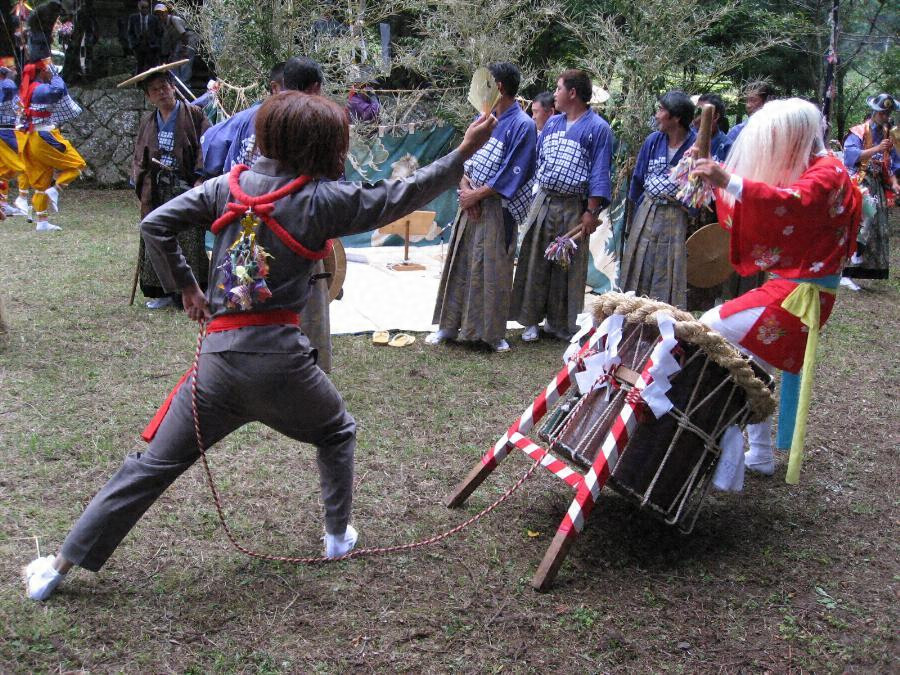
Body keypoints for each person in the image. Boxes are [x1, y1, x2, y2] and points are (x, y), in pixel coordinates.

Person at [23, 92, 497, 602]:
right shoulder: (321, 199)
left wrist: (187, 286)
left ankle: (56, 567)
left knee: (149, 467)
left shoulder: (224, 188)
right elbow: (398, 196)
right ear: (319, 145)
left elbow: (154, 224)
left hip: (217, 363)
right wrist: (462, 152)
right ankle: (337, 538)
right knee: (336, 432)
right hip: (283, 366)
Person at [691, 98, 861, 475]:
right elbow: (763, 195)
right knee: (753, 366)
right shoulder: (815, 168)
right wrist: (713, 172)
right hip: (795, 290)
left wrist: (725, 178)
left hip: (803, 295)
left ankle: (720, 434)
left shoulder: (828, 172)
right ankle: (761, 454)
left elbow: (787, 202)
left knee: (713, 326)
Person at [201, 57, 336, 372]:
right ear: (315, 88)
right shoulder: (312, 123)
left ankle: (240, 368)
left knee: (243, 302)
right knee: (299, 309)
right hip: (292, 228)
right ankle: (301, 373)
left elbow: (212, 152)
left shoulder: (244, 119)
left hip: (244, 229)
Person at [428, 62, 536, 353]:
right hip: (470, 202)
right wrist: (465, 191)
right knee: (460, 263)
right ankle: (449, 326)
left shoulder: (523, 125)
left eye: (485, 83)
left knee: (494, 269)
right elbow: (464, 159)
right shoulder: (482, 118)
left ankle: (491, 333)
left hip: (497, 209)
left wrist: (476, 197)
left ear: (498, 87)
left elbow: (516, 171)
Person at [509, 69, 613, 342]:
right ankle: (530, 320)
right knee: (534, 260)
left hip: (574, 205)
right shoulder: (553, 124)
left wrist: (591, 212)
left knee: (566, 264)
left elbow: (599, 172)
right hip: (544, 200)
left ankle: (560, 323)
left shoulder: (599, 129)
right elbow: (538, 159)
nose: (554, 93)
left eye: (558, 88)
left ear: (573, 93)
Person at [132, 69, 210, 309]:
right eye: (155, 89)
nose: (162, 92)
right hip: (156, 187)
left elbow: (207, 146)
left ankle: (189, 291)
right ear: (149, 96)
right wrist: (140, 183)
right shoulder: (148, 121)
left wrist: (200, 178)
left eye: (165, 86)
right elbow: (138, 157)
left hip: (185, 185)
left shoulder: (195, 115)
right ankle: (163, 291)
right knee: (156, 235)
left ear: (173, 87)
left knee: (188, 238)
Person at [619, 90, 696, 308]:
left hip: (677, 215)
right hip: (647, 209)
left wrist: (690, 214)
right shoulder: (653, 141)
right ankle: (632, 315)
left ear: (677, 117)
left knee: (668, 268)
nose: (656, 114)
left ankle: (665, 321)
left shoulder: (696, 146)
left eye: (661, 110)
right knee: (639, 263)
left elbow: (701, 191)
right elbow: (638, 178)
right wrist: (636, 214)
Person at [18, 57, 85, 231]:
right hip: (44, 135)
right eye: (48, 68)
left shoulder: (27, 89)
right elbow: (57, 90)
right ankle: (55, 190)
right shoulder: (39, 89)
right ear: (42, 71)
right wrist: (56, 76)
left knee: (41, 183)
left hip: (31, 137)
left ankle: (42, 222)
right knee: (77, 165)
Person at [841, 93, 898, 281]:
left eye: (887, 114)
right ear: (874, 112)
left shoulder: (889, 135)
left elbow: (892, 164)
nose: (885, 117)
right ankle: (846, 268)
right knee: (862, 222)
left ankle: (862, 270)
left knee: (877, 228)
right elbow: (850, 157)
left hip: (877, 183)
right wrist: (876, 149)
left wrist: (895, 182)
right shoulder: (858, 131)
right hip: (860, 182)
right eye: (882, 113)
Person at [0, 59, 26, 217]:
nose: (15, 71)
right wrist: (8, 77)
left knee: (3, 170)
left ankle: (2, 203)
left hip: (9, 130)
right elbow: (8, 90)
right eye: (11, 69)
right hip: (4, 132)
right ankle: (19, 197)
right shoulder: (6, 86)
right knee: (22, 166)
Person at [726, 80, 774, 145]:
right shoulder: (737, 131)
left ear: (767, 102)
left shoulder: (777, 129)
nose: (748, 105)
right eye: (747, 101)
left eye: (753, 100)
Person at [693, 93, 731, 161]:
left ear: (715, 117)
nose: (694, 117)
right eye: (695, 111)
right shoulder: (689, 137)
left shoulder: (727, 146)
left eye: (699, 112)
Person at [127, 0, 161, 74]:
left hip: (151, 46)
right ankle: (138, 84)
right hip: (138, 46)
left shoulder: (154, 19)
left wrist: (157, 44)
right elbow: (130, 32)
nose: (145, 9)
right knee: (139, 66)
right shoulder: (133, 18)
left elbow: (159, 33)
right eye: (143, 7)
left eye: (146, 7)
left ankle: (152, 82)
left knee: (152, 66)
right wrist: (133, 45)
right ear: (139, 8)